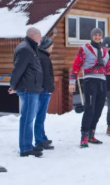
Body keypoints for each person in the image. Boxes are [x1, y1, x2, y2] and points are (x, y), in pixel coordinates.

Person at [69, 28, 110, 148]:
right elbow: (76, 65)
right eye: (95, 35)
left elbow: (107, 70)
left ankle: (92, 134)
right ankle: (84, 137)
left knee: (98, 109)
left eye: (99, 35)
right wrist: (72, 82)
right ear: (92, 36)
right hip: (90, 80)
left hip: (102, 82)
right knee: (89, 108)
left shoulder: (104, 51)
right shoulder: (85, 48)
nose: (97, 37)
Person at [9, 27, 43, 157]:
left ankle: (28, 145)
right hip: (28, 89)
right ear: (34, 36)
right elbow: (18, 69)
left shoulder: (30, 47)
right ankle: (25, 148)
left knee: (29, 119)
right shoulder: (25, 49)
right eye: (40, 36)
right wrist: (13, 85)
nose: (41, 39)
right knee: (27, 119)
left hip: (31, 88)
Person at [34, 36, 55, 150]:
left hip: (40, 89)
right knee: (40, 116)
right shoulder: (44, 58)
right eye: (51, 44)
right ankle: (39, 140)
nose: (53, 46)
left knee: (40, 115)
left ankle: (42, 138)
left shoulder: (40, 56)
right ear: (46, 46)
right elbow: (46, 75)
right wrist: (50, 87)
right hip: (43, 90)